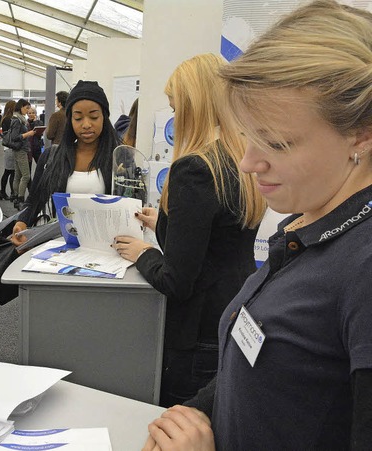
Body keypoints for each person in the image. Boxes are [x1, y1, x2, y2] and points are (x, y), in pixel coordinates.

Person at [143, 1, 372, 450]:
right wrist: (197, 410)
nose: (248, 162)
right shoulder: (310, 222)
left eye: (277, 143)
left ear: (361, 133)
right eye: (248, 135)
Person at [114, 54, 266, 408]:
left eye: (175, 107)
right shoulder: (239, 159)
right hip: (231, 311)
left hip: (197, 332)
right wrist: (165, 222)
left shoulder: (194, 169)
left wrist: (143, 253)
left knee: (182, 420)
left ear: (193, 107)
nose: (174, 118)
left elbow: (177, 280)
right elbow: (221, 237)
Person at [11, 80, 119, 239]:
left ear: (104, 117)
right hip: (61, 247)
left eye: (94, 117)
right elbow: (34, 199)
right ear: (70, 120)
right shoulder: (52, 157)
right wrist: (22, 222)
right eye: (78, 118)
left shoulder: (118, 160)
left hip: (104, 247)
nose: (86, 124)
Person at [7, 98, 35, 209]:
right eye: (26, 108)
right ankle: (20, 198)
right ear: (21, 107)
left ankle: (16, 198)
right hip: (20, 150)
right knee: (26, 176)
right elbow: (15, 137)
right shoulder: (17, 120)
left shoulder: (19, 119)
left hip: (20, 150)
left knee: (18, 176)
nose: (28, 111)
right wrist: (28, 134)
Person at [0, 100, 16, 201]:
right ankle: (9, 192)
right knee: (10, 172)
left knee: (8, 172)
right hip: (10, 147)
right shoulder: (9, 119)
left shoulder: (5, 118)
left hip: (8, 147)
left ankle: (4, 192)